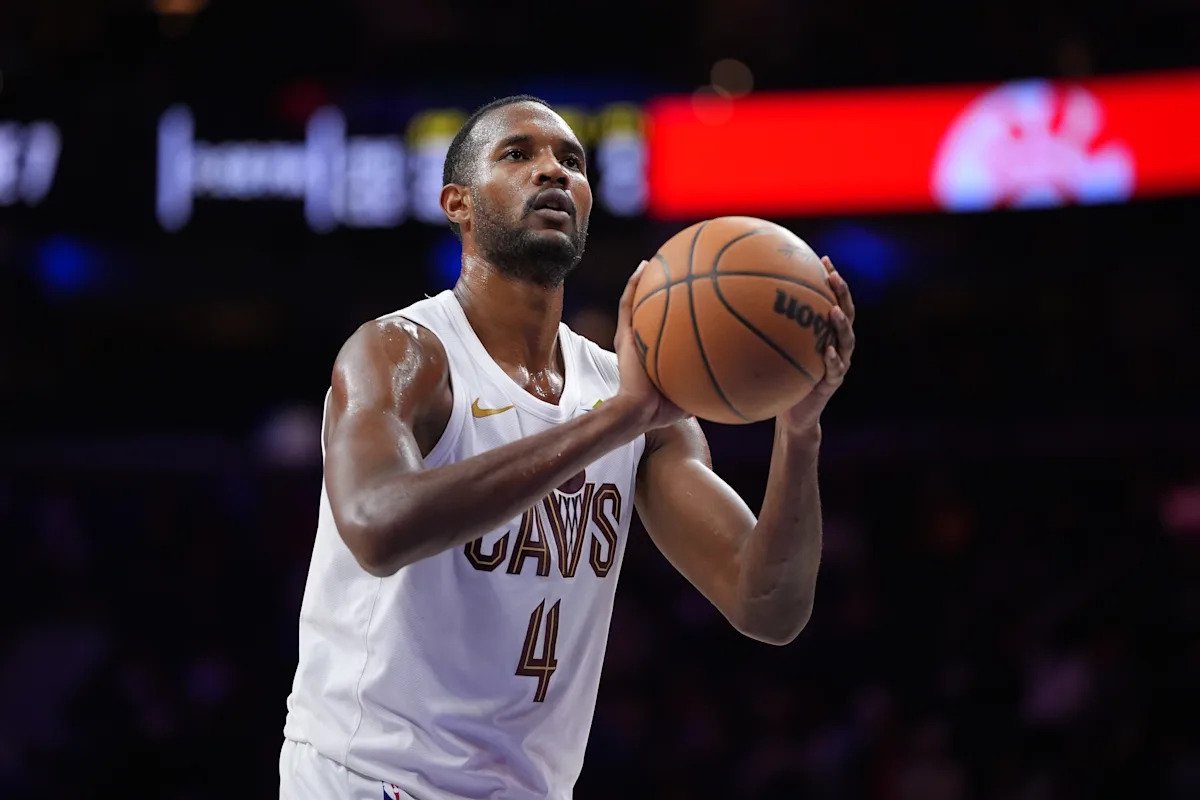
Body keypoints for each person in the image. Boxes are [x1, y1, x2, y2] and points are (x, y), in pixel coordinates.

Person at [280, 95, 857, 799]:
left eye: (572, 162)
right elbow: (376, 525)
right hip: (369, 776)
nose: (553, 170)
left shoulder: (629, 393)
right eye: (517, 154)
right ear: (459, 204)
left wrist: (799, 429)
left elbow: (767, 606)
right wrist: (615, 422)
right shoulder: (403, 353)